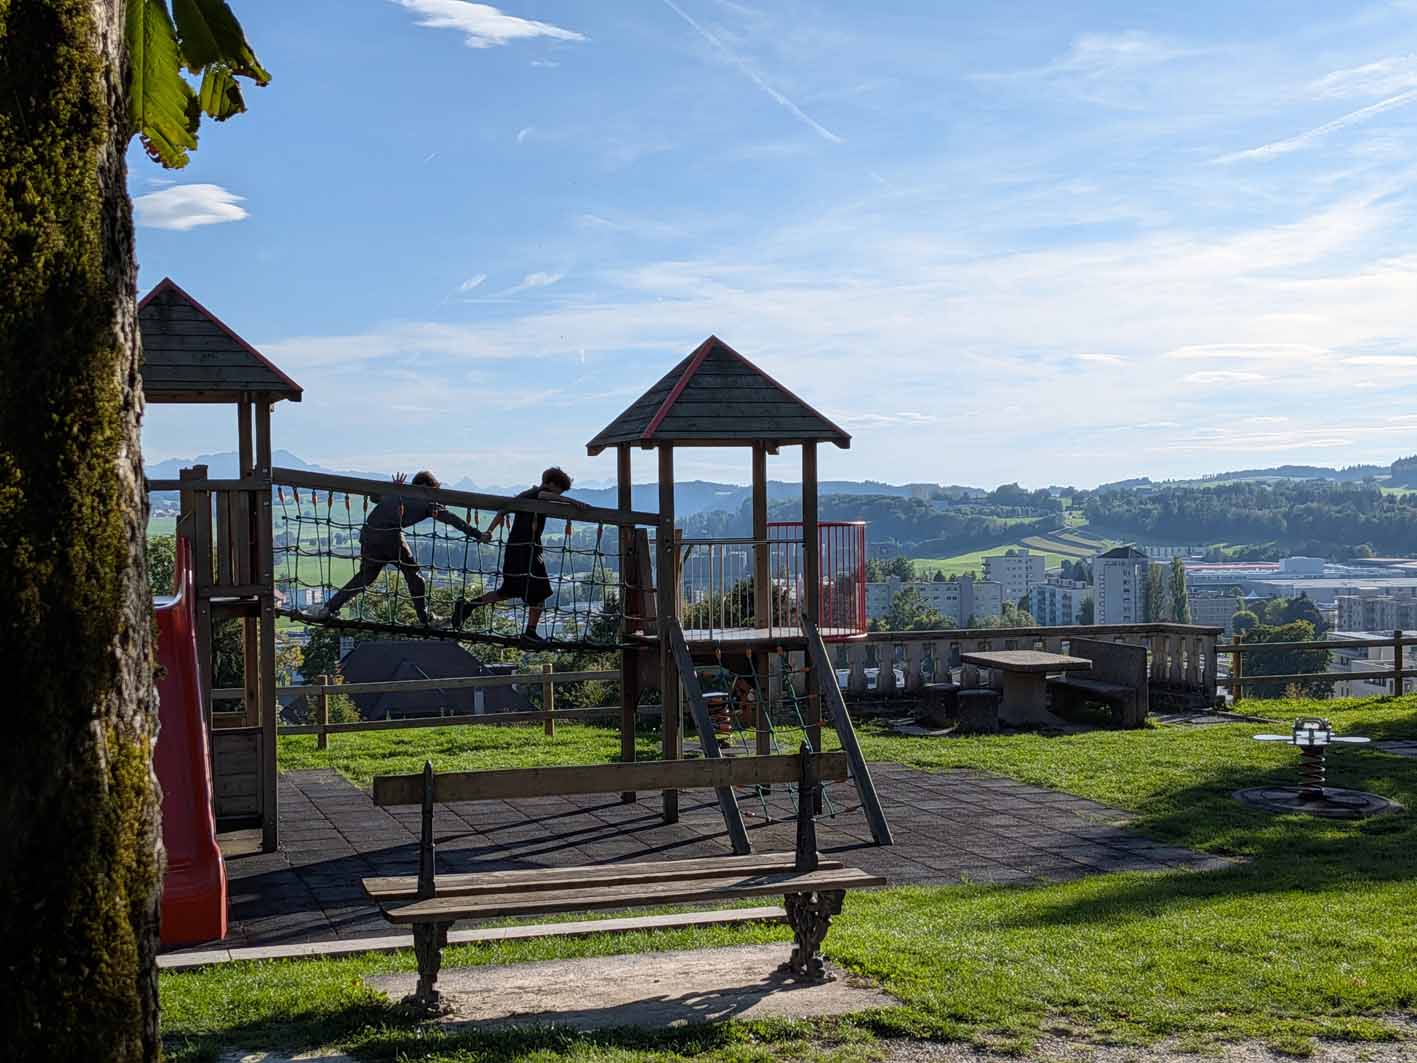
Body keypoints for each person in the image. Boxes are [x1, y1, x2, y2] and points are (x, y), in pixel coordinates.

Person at [306, 471, 488, 626]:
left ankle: (329, 608)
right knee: (414, 575)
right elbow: (452, 520)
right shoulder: (427, 500)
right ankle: (425, 619)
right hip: (390, 537)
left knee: (365, 577)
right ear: (428, 487)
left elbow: (374, 497)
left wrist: (393, 488)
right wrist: (477, 534)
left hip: (369, 533)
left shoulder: (399, 491)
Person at [450, 466, 586, 646]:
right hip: (528, 551)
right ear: (552, 484)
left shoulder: (524, 495)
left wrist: (489, 531)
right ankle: (530, 632)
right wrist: (572, 501)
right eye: (559, 491)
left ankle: (469, 605)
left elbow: (503, 511)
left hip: (515, 549)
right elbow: (544, 495)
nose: (558, 495)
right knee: (541, 592)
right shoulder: (539, 494)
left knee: (509, 590)